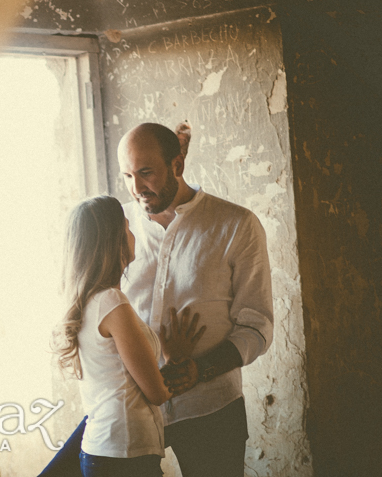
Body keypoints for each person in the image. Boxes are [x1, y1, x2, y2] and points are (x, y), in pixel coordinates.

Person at [40, 123, 274, 477]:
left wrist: (199, 370)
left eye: (146, 173)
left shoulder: (236, 225)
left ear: (177, 165)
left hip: (210, 406)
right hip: (127, 413)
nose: (136, 189)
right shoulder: (115, 228)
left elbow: (257, 327)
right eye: (128, 175)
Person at [49, 195, 205, 477]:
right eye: (127, 227)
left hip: (107, 449)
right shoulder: (112, 303)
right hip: (124, 455)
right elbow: (156, 393)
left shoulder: (89, 302)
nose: (133, 234)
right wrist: (175, 358)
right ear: (114, 241)